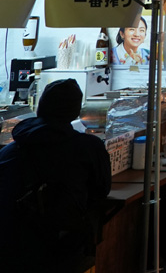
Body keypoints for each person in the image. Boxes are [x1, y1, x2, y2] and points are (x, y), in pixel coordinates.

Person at [0, 78, 111, 273]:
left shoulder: (11, 149)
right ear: (76, 111)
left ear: (41, 106)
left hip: (10, 245)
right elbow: (101, 191)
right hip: (63, 246)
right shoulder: (89, 147)